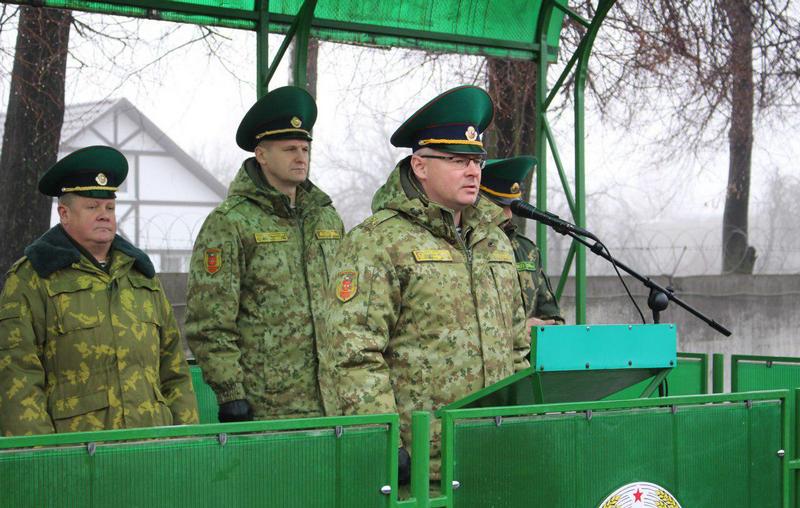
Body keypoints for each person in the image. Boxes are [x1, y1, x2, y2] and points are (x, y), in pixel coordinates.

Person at [317, 86, 529, 482]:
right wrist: (383, 440)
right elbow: (352, 354)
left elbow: (517, 345)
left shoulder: (495, 241)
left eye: (477, 160)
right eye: (457, 160)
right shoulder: (377, 242)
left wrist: (524, 422)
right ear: (420, 165)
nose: (473, 171)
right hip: (419, 467)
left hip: (496, 454)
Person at [0, 145, 199, 436]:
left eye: (109, 207)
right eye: (92, 207)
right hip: (79, 455)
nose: (104, 215)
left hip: (152, 449)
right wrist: (43, 460)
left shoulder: (140, 275)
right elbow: (17, 378)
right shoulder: (33, 278)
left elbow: (173, 368)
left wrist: (186, 442)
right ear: (64, 213)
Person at [185, 86, 344, 422]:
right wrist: (231, 393)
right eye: (289, 149)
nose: (301, 157)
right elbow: (209, 320)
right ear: (261, 155)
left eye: (305, 148)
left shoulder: (326, 217)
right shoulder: (230, 222)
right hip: (268, 405)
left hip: (332, 401)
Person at [480, 156, 564, 324]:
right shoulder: (464, 247)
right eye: (499, 205)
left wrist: (548, 326)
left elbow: (552, 316)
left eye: (511, 207)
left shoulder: (527, 250)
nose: (508, 214)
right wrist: (518, 332)